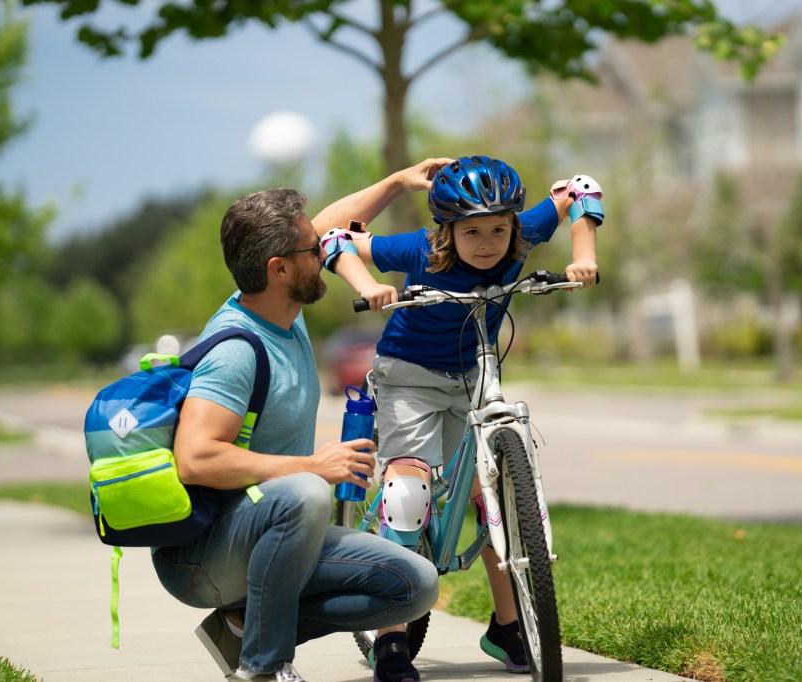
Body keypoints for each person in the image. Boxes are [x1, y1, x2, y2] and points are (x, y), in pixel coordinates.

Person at [152, 159, 453, 682]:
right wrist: (314, 465)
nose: (328, 251)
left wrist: (399, 181)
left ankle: (249, 624)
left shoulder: (282, 308)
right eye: (315, 250)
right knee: (306, 491)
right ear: (279, 268)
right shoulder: (238, 349)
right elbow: (195, 457)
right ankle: (264, 668)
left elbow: (335, 221)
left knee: (415, 586)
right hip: (203, 556)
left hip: (274, 534)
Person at [322, 155, 601, 681]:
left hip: (474, 371)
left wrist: (583, 254)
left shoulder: (520, 235)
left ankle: (508, 626)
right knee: (408, 495)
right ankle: (390, 640)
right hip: (409, 376)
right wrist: (366, 287)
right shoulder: (418, 250)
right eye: (472, 231)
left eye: (498, 228)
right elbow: (334, 241)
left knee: (491, 496)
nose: (489, 242)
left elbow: (580, 190)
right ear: (447, 229)